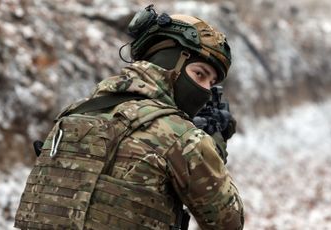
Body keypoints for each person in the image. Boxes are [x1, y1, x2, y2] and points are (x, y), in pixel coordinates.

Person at [14, 5, 244, 230]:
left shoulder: (75, 113)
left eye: (211, 83)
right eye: (200, 74)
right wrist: (214, 145)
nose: (204, 91)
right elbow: (228, 222)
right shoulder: (182, 137)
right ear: (170, 62)